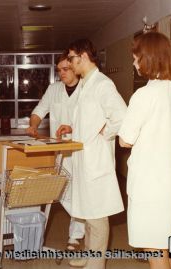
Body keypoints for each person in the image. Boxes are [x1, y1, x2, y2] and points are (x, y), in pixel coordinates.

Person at [118, 31, 171, 269]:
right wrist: (170, 134)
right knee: (167, 244)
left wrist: (159, 135)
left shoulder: (143, 95)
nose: (133, 62)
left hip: (150, 184)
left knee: (155, 250)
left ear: (148, 58)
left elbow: (125, 139)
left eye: (136, 57)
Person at [56, 38, 127, 269]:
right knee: (87, 212)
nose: (71, 65)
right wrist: (74, 128)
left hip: (96, 161)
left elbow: (121, 117)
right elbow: (91, 119)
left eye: (72, 60)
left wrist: (104, 132)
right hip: (83, 160)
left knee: (97, 217)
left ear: (84, 57)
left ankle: (96, 265)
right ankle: (88, 255)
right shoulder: (87, 84)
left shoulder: (102, 85)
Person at [25, 53, 86, 251]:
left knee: (80, 191)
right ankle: (84, 220)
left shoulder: (87, 88)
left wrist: (74, 128)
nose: (62, 73)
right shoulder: (54, 89)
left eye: (65, 69)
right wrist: (33, 125)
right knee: (61, 191)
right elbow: (40, 110)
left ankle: (75, 236)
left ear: (75, 66)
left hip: (82, 149)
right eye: (59, 70)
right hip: (60, 151)